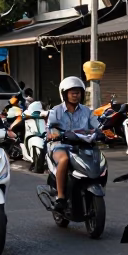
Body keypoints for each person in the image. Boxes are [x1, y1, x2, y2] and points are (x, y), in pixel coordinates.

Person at [46, 77, 97, 211]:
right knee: (64, 159)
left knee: (96, 156)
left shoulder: (87, 111)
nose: (75, 95)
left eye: (78, 93)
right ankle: (61, 197)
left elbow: (97, 126)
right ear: (65, 94)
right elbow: (49, 127)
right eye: (72, 93)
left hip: (82, 145)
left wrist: (104, 132)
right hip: (60, 145)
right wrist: (53, 134)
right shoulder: (56, 111)